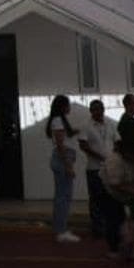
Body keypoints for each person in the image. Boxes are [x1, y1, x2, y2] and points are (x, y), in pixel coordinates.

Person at [80, 99, 120, 253]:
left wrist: (114, 157)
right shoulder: (86, 126)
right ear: (91, 111)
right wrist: (99, 156)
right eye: (95, 109)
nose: (98, 112)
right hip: (94, 168)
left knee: (109, 196)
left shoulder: (110, 124)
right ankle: (97, 228)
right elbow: (83, 145)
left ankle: (108, 225)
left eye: (100, 109)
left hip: (110, 168)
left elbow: (117, 141)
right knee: (96, 198)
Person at [45, 96, 80, 243]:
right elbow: (60, 144)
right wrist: (68, 166)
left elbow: (64, 138)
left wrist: (77, 130)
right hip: (63, 160)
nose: (69, 107)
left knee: (62, 196)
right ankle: (61, 231)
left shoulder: (59, 120)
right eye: (67, 105)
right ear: (62, 106)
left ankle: (60, 228)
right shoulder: (58, 120)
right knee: (63, 197)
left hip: (63, 158)